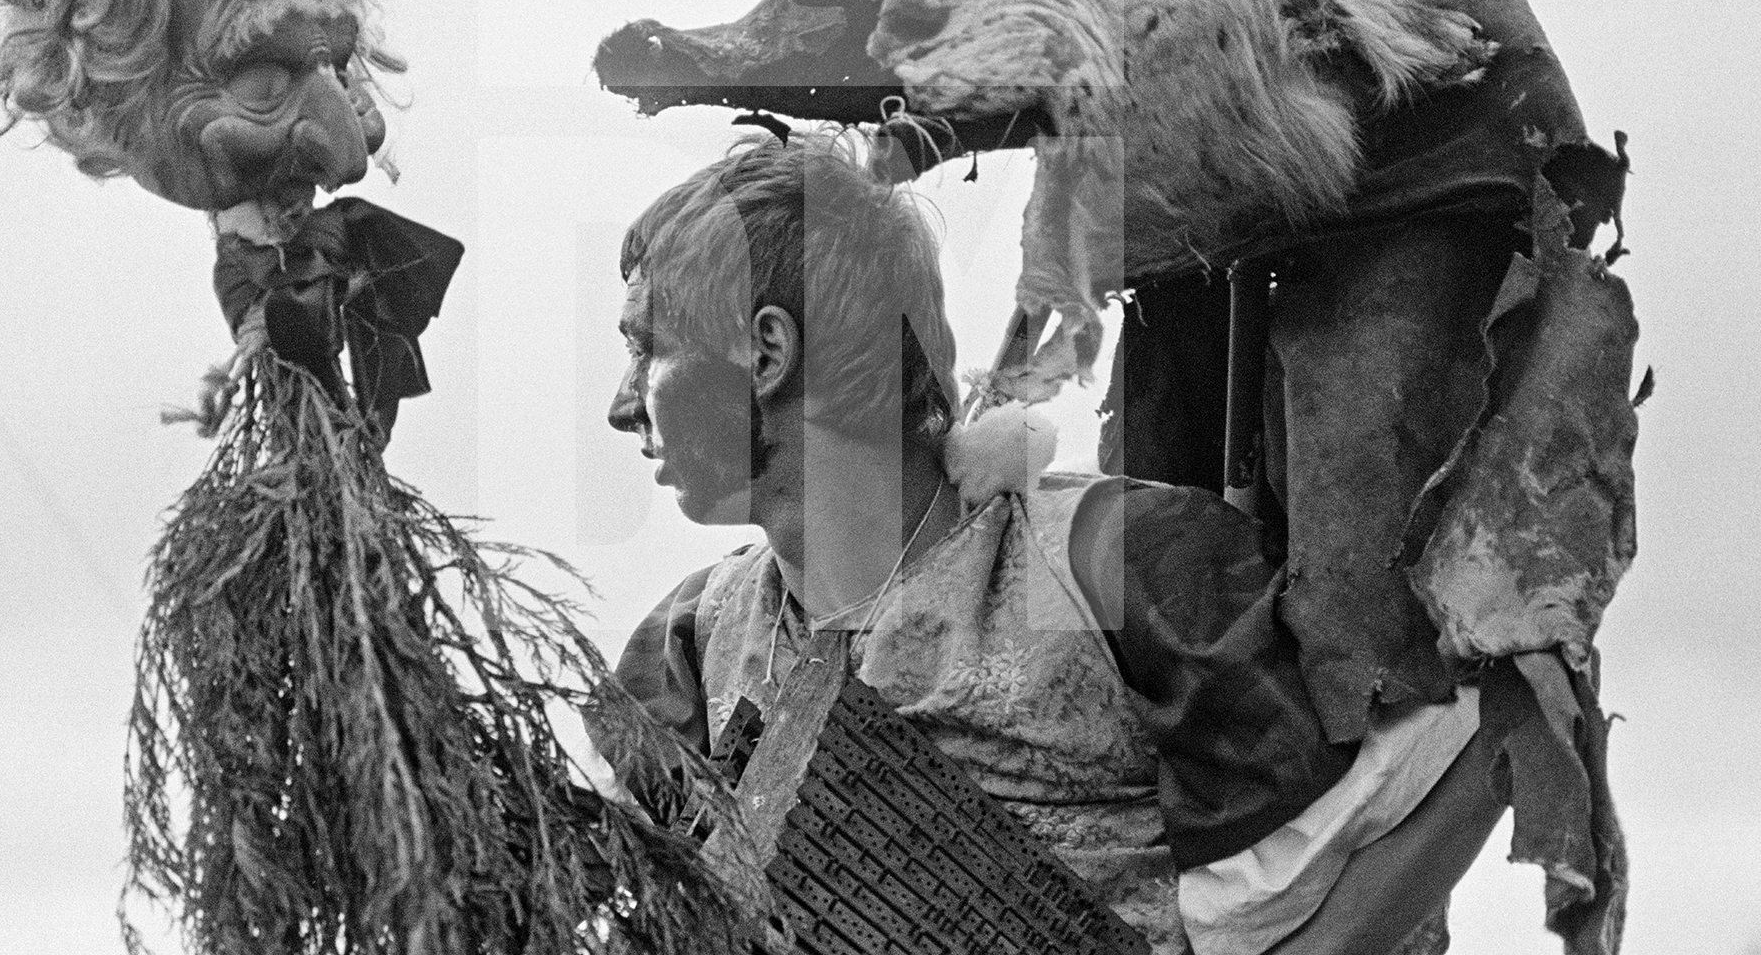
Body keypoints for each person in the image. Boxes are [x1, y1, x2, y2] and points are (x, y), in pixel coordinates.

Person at [599, 131, 1499, 955]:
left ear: (766, 352)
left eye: (648, 349)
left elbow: (1454, 757)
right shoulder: (695, 645)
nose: (623, 403)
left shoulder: (1115, 564)